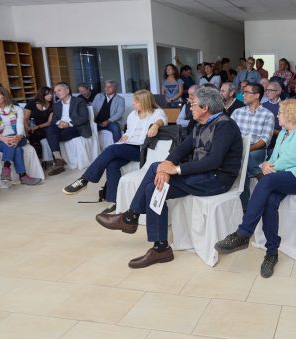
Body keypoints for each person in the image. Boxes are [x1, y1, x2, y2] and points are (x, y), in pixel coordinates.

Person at [95, 87, 243, 268]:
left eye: (193, 104)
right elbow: (181, 149)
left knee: (155, 173)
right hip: (201, 174)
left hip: (217, 179)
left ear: (205, 108)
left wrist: (176, 169)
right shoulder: (201, 124)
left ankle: (131, 218)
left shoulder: (225, 125)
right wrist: (166, 167)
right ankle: (160, 248)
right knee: (153, 186)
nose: (190, 106)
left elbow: (214, 161)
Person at [215, 99, 296, 277]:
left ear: (290, 114)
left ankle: (243, 232)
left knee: (267, 181)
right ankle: (272, 253)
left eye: (280, 113)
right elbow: (274, 157)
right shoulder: (284, 132)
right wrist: (265, 165)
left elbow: (294, 158)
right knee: (270, 200)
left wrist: (271, 167)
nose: (277, 116)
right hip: (281, 175)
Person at [63, 90, 167, 213]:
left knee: (111, 149)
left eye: (136, 101)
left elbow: (162, 119)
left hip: (142, 149)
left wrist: (156, 125)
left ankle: (84, 180)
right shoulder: (132, 115)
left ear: (144, 102)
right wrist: (125, 137)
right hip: (128, 145)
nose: (133, 103)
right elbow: (129, 132)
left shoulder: (156, 112)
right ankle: (115, 201)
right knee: (112, 165)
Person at [0, 84, 42, 185]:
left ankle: (6, 170)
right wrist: (3, 138)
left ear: (4, 95)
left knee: (13, 144)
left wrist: (18, 137)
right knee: (16, 148)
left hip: (17, 136)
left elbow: (20, 125)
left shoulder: (16, 109)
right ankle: (23, 176)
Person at [231, 83, 275, 212]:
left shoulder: (268, 115)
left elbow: (265, 140)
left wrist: (246, 149)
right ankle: (258, 173)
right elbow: (229, 133)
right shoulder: (237, 112)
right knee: (243, 161)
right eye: (243, 92)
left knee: (244, 159)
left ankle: (245, 208)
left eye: (246, 92)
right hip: (238, 149)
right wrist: (240, 149)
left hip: (256, 150)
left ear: (256, 95)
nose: (243, 95)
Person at [45, 82, 92, 176]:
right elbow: (54, 120)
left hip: (75, 127)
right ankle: (59, 159)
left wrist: (68, 123)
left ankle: (58, 162)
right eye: (55, 92)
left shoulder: (79, 101)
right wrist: (60, 123)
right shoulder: (57, 105)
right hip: (61, 127)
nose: (57, 93)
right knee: (50, 130)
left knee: (52, 136)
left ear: (67, 90)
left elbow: (84, 117)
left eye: (59, 90)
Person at [24, 86, 53, 162]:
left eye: (51, 94)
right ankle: (38, 160)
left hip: (45, 127)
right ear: (42, 95)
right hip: (31, 126)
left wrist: (37, 127)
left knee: (38, 135)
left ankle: (41, 160)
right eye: (48, 94)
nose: (50, 96)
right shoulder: (32, 103)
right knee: (32, 135)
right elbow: (25, 118)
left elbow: (49, 122)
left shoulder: (52, 105)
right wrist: (27, 129)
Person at [262, 81, 282, 155]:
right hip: (265, 139)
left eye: (270, 90)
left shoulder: (285, 105)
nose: (267, 92)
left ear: (278, 92)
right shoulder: (262, 106)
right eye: (266, 90)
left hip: (281, 138)